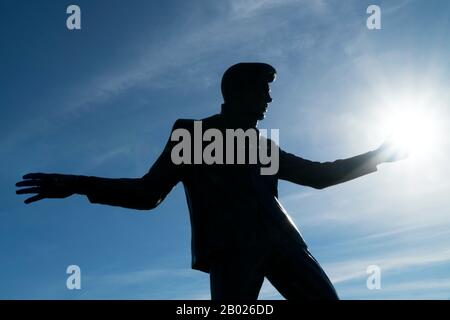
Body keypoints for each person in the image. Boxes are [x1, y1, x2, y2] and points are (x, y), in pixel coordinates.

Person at [16, 62, 406, 300]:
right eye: (263, 91)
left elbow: (320, 175)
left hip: (286, 243)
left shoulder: (261, 145)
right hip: (232, 251)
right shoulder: (191, 133)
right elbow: (147, 193)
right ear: (237, 93)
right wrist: (76, 183)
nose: (269, 100)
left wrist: (378, 156)